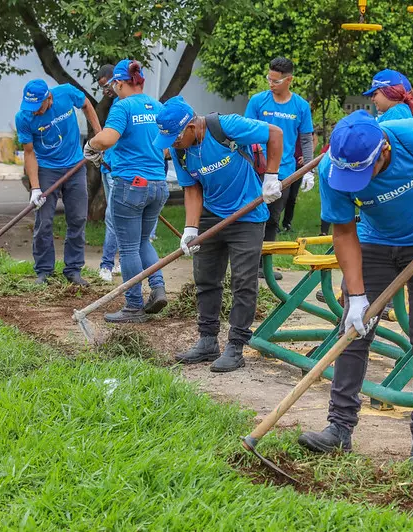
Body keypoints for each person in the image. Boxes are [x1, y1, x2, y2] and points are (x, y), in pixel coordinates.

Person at [297, 110, 413, 469]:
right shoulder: (333, 170)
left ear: (383, 150)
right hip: (374, 242)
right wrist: (357, 295)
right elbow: (344, 231)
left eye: (362, 174)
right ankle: (339, 428)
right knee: (354, 329)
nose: (355, 183)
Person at [154, 96, 284, 372]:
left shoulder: (226, 127)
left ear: (191, 126)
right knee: (206, 280)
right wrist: (191, 228)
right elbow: (192, 188)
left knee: (243, 282)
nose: (172, 145)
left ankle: (236, 346)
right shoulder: (181, 151)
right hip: (211, 216)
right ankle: (207, 340)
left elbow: (275, 133)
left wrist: (272, 176)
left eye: (175, 137)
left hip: (247, 215)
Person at [84, 59, 168, 322]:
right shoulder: (157, 106)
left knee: (129, 247)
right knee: (143, 241)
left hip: (130, 185)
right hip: (157, 185)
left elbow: (107, 138)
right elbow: (165, 148)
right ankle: (158, 288)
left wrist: (92, 145)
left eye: (114, 85)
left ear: (120, 82)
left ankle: (133, 306)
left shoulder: (123, 107)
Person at [15, 78, 102, 286]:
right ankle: (44, 271)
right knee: (44, 222)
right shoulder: (24, 117)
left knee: (78, 219)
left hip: (75, 166)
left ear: (49, 98)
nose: (34, 111)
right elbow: (29, 153)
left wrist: (100, 137)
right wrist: (35, 188)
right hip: (46, 170)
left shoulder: (66, 93)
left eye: (38, 106)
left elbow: (87, 104)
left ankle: (73, 270)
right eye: (30, 107)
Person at [245, 57, 314, 279]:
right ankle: (248, 263)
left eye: (275, 80)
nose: (271, 84)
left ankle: (264, 266)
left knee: (273, 218)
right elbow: (245, 132)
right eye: (269, 79)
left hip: (284, 172)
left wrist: (309, 170)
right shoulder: (258, 102)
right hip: (257, 169)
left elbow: (305, 139)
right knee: (253, 215)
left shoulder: (301, 107)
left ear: (289, 80)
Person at [95, 64, 122, 283]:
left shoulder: (125, 105)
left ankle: (107, 264)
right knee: (114, 217)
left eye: (106, 85)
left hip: (118, 170)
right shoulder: (115, 103)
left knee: (113, 217)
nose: (105, 91)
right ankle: (119, 261)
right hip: (107, 165)